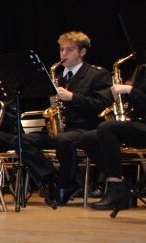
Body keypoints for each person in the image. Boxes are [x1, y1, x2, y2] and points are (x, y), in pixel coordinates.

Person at [16, 31, 112, 206]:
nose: (64, 54)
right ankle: (50, 178)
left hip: (85, 129)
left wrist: (72, 97)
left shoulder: (97, 74)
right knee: (21, 140)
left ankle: (67, 183)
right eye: (61, 49)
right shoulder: (58, 78)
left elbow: (102, 104)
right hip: (61, 131)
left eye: (70, 49)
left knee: (63, 140)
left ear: (82, 52)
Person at [79, 62, 146, 211]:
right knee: (88, 138)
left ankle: (115, 186)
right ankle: (123, 185)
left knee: (107, 127)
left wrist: (130, 90)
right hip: (138, 124)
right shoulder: (141, 69)